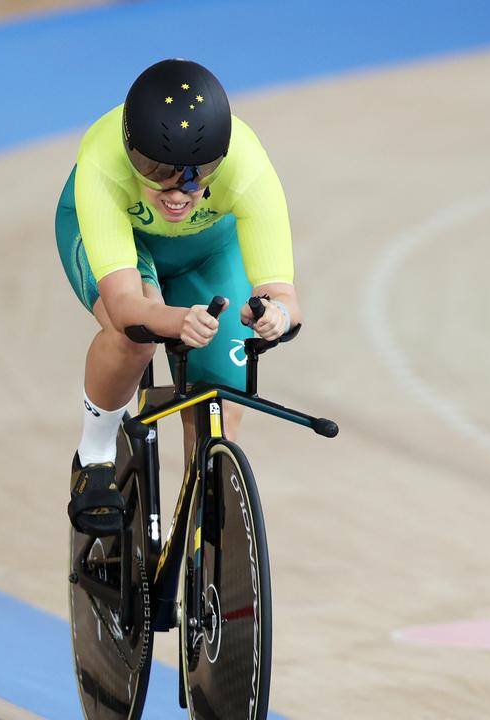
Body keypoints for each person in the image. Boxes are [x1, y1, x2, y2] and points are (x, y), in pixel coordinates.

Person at [56, 58, 300, 536]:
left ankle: (198, 561)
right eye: (158, 170)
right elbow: (128, 307)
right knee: (136, 338)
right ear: (130, 153)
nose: (179, 190)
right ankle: (96, 455)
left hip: (207, 252)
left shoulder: (248, 163)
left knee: (220, 403)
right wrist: (174, 321)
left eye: (199, 172)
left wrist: (276, 314)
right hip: (129, 244)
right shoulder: (102, 160)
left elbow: (283, 293)